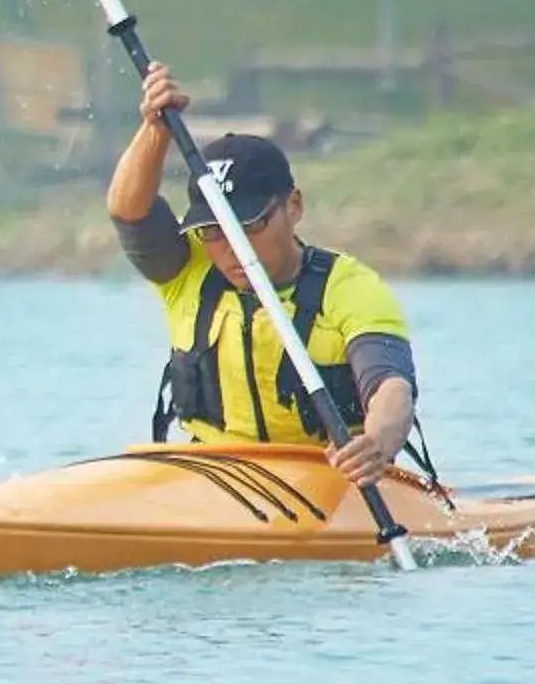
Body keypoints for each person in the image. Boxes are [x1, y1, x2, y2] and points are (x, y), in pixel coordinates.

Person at [105, 64, 417, 482]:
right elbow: (128, 211)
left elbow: (390, 387)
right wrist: (154, 130)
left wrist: (377, 443)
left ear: (294, 206)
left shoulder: (348, 287)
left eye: (248, 226)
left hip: (331, 479)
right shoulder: (186, 269)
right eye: (214, 231)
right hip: (211, 476)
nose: (232, 248)